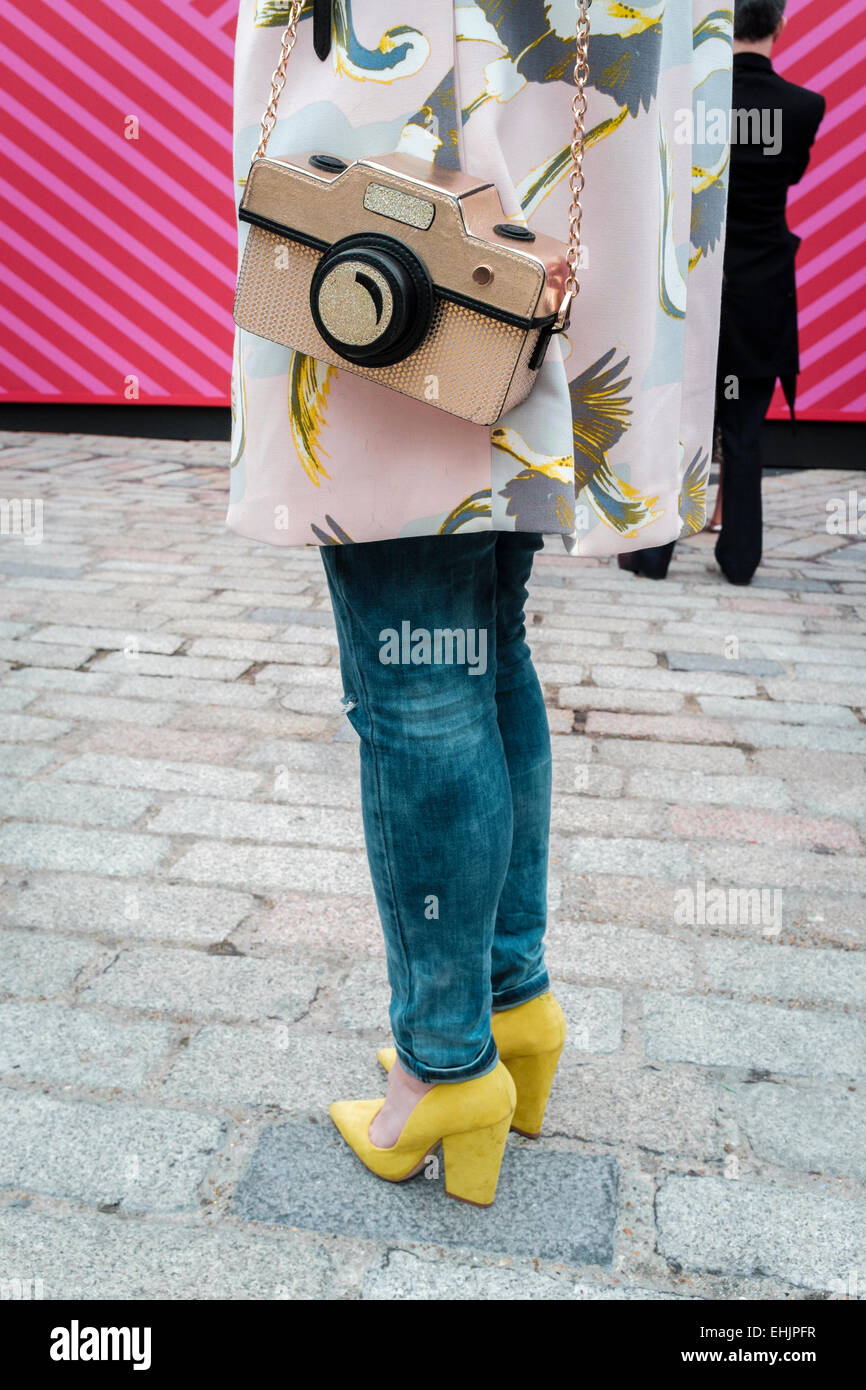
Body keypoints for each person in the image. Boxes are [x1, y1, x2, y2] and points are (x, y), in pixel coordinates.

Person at [229, 1, 732, 1205]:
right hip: (568, 164)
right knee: (478, 637)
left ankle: (444, 1063)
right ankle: (512, 1006)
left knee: (412, 667)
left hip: (417, 179)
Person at [620, 0, 825, 584]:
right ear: (780, 25)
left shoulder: (694, 100)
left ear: (720, 22)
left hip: (697, 280)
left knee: (680, 420)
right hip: (762, 289)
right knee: (744, 431)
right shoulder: (806, 107)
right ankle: (738, 561)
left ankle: (652, 553)